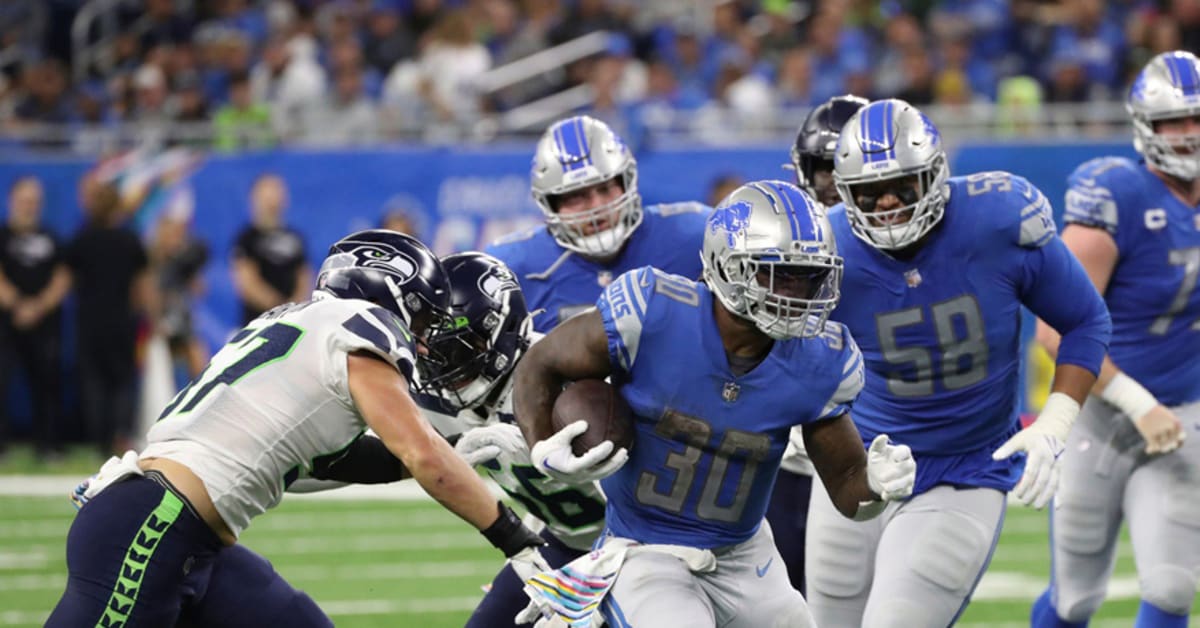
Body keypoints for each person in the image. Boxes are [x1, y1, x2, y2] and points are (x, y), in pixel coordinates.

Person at [48, 230, 548, 627]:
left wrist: (456, 444)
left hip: (189, 539)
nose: (420, 346)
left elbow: (323, 461)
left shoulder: (294, 324)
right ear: (395, 296)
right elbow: (422, 455)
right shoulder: (363, 324)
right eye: (422, 324)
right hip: (154, 526)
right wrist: (517, 540)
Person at [513, 180, 918, 627]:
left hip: (745, 558)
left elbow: (846, 487)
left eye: (809, 276)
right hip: (645, 550)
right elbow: (541, 363)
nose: (798, 292)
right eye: (780, 273)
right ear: (728, 266)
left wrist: (877, 487)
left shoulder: (822, 361)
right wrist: (541, 444)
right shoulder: (651, 313)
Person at [804, 99, 1112, 627]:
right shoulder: (825, 248)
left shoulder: (999, 218)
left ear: (936, 175)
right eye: (869, 193)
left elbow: (1084, 320)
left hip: (965, 467)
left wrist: (1055, 424)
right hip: (860, 461)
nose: (887, 205)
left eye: (903, 186)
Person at [1030, 50, 1200, 628]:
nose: (1189, 134)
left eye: (1198, 118)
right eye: (1175, 120)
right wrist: (1137, 400)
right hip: (1102, 418)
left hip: (1183, 418)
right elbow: (1057, 332)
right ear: (1145, 126)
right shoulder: (1116, 194)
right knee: (1076, 599)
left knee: (1174, 587)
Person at [413, 252, 609, 628]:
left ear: (501, 331)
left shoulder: (574, 382)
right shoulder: (433, 400)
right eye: (431, 354)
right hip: (561, 540)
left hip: (633, 546)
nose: (441, 368)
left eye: (456, 350)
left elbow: (645, 496)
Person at [764, 93, 868, 596]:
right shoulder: (778, 236)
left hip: (868, 451)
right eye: (823, 168)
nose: (831, 183)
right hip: (787, 456)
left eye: (843, 167)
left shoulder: (907, 247)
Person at [486, 114, 710, 333]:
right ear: (550, 204)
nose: (596, 206)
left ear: (627, 181)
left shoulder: (694, 234)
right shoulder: (510, 268)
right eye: (575, 196)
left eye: (605, 188)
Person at [67, 176, 155, 455]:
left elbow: (67, 281)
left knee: (94, 382)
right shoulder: (130, 240)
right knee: (123, 381)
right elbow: (142, 287)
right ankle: (121, 436)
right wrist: (150, 316)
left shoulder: (81, 240)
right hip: (122, 321)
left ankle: (100, 441)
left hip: (90, 321)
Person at [0, 177, 70, 459]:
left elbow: (62, 276)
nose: (30, 206)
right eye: (24, 200)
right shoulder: (3, 236)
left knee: (47, 382)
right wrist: (17, 304)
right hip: (7, 322)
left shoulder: (51, 237)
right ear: (12, 201)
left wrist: (39, 306)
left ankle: (47, 445)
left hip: (44, 323)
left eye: (34, 201)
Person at [231, 173, 312, 325]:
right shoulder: (246, 239)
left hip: (291, 323)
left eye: (276, 191)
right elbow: (246, 284)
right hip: (257, 323)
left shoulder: (295, 238)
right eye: (267, 193)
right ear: (255, 198)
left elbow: (304, 276)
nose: (272, 199)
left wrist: (294, 306)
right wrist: (279, 306)